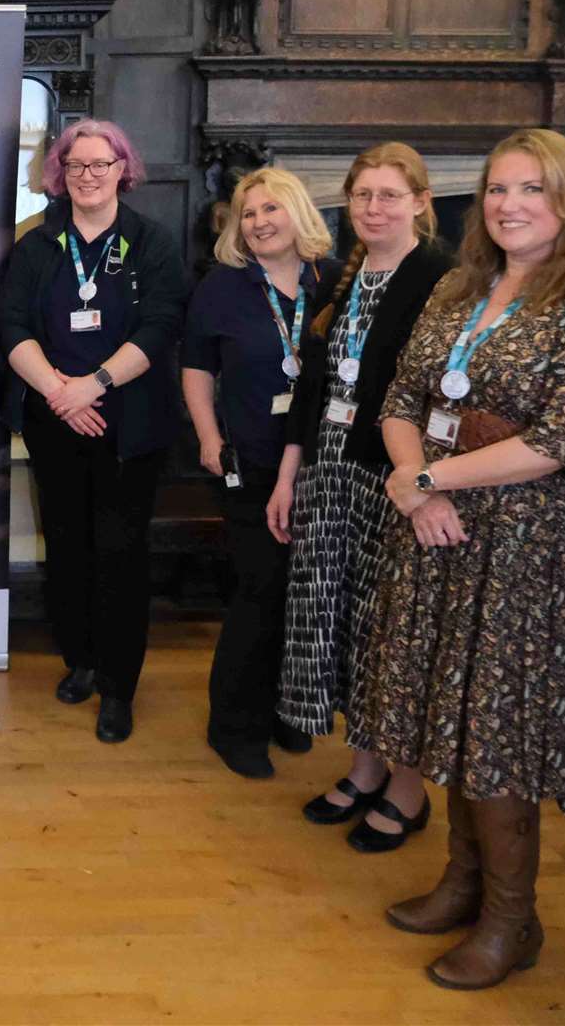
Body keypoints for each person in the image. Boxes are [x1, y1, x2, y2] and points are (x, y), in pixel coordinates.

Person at [360, 128, 565, 990]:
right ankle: (462, 880)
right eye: (497, 189)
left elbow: (562, 442)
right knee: (440, 708)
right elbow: (403, 395)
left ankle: (513, 919)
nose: (510, 205)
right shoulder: (459, 285)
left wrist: (429, 475)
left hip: (523, 553)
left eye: (532, 189)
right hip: (436, 532)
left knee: (495, 728)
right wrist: (416, 485)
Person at [274, 141, 453, 848]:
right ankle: (365, 766)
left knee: (393, 636)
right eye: (362, 196)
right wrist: (290, 475)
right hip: (328, 472)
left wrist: (424, 481)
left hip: (395, 481)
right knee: (341, 627)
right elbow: (312, 391)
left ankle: (407, 791)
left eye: (388, 195)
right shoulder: (341, 282)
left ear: (419, 202)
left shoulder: (442, 279)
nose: (374, 208)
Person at [0, 118, 186, 744]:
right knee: (69, 552)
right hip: (57, 425)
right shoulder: (35, 246)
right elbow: (12, 325)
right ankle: (79, 659)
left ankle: (118, 687)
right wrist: (59, 391)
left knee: (120, 557)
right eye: (76, 165)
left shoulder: (151, 242)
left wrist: (94, 384)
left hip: (129, 430)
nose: (88, 176)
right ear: (60, 173)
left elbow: (159, 329)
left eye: (101, 165)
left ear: (121, 170)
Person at [181, 167, 339, 772]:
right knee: (260, 589)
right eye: (249, 214)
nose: (260, 222)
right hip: (247, 461)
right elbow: (196, 367)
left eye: (271, 209)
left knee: (305, 596)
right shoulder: (222, 288)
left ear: (299, 213)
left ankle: (284, 707)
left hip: (322, 465)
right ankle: (234, 724)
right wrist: (207, 436)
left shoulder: (334, 283)